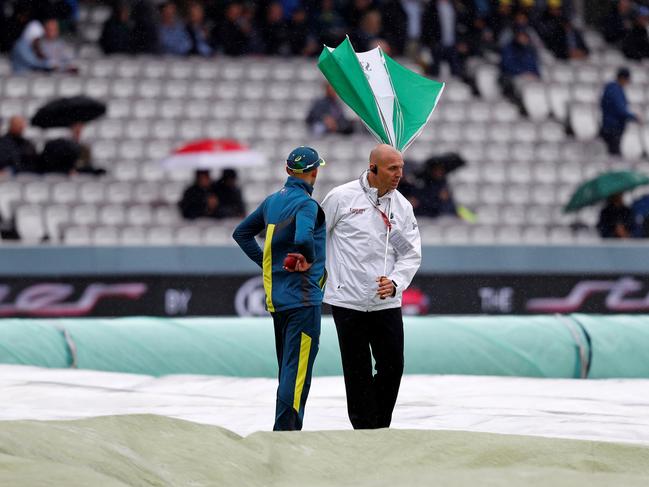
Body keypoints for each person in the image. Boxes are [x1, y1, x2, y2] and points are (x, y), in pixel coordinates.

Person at [321, 144, 421, 429]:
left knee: (393, 366)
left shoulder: (402, 206)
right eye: (393, 168)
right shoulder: (340, 198)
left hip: (385, 301)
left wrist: (396, 283)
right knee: (357, 371)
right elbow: (318, 237)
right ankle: (365, 431)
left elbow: (410, 253)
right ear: (373, 168)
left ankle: (378, 425)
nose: (399, 174)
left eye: (401, 168)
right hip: (347, 300)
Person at [232, 146, 327, 431]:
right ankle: (286, 437)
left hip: (278, 300)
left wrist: (267, 262)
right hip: (303, 298)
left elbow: (242, 234)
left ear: (288, 171)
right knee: (296, 375)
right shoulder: (307, 205)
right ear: (315, 172)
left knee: (287, 371)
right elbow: (302, 236)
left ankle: (282, 431)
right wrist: (307, 259)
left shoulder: (272, 201)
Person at [600, 67, 638, 156]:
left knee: (613, 152)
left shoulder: (612, 88)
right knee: (614, 154)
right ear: (623, 78)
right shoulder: (615, 90)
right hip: (613, 127)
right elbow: (620, 109)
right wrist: (633, 116)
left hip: (610, 125)